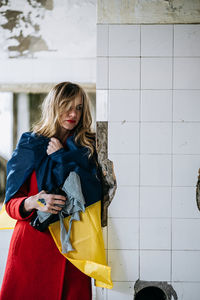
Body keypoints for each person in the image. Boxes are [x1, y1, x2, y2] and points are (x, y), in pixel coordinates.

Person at [0, 82, 112, 300]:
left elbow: (94, 192)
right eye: (66, 106)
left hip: (73, 250)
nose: (73, 113)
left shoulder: (88, 146)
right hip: (32, 249)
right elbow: (11, 202)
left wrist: (62, 157)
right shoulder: (30, 144)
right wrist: (33, 202)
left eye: (79, 108)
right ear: (53, 106)